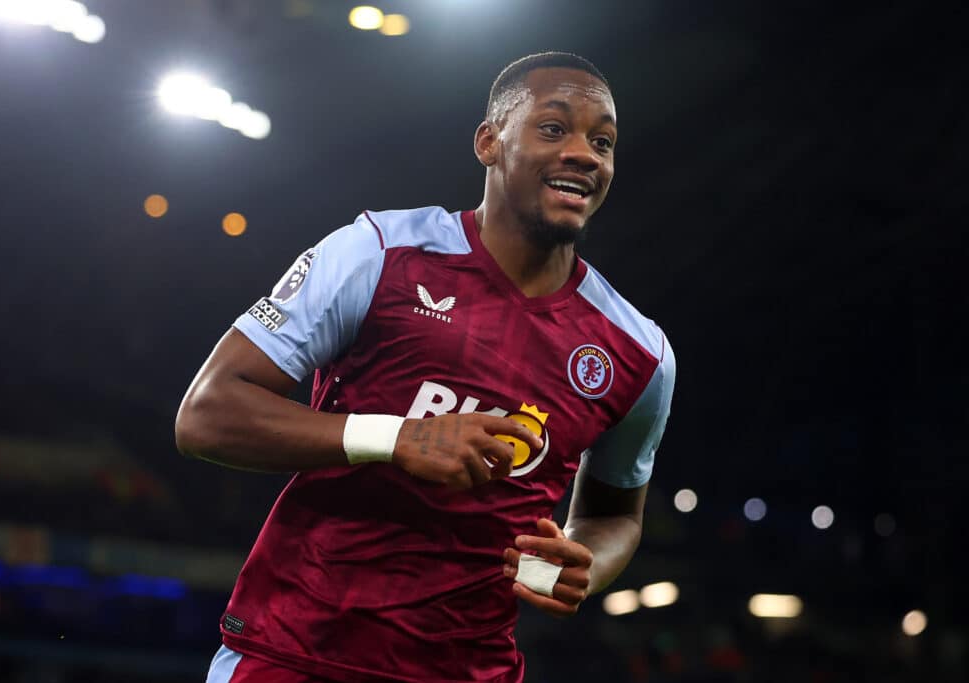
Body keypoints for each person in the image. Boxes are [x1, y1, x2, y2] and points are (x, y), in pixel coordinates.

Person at [176, 51, 675, 683]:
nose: (585, 153)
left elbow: (614, 514)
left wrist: (587, 562)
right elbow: (206, 414)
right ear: (489, 142)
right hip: (295, 651)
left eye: (602, 141)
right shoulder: (377, 253)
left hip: (473, 670)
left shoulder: (639, 352)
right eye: (553, 128)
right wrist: (395, 437)